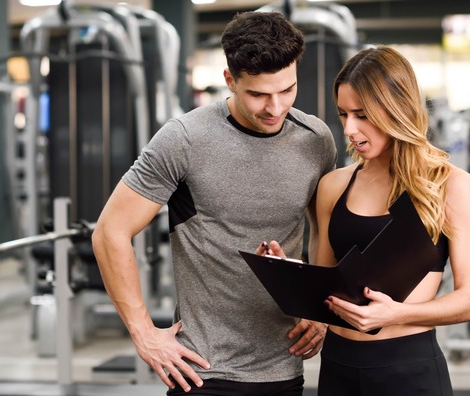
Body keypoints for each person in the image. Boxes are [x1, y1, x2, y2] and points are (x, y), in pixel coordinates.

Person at [91, 11, 338, 396]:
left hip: (285, 365)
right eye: (258, 94)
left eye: (287, 90)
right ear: (230, 80)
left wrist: (318, 310)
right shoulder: (184, 139)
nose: (275, 108)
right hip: (202, 370)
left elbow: (323, 231)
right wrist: (144, 333)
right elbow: (110, 232)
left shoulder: (316, 140)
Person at [313, 46, 470, 395]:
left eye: (362, 115)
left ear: (397, 109)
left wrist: (395, 314)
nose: (349, 128)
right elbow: (323, 287)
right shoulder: (333, 186)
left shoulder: (451, 186)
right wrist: (284, 270)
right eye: (344, 114)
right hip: (337, 367)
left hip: (408, 370)